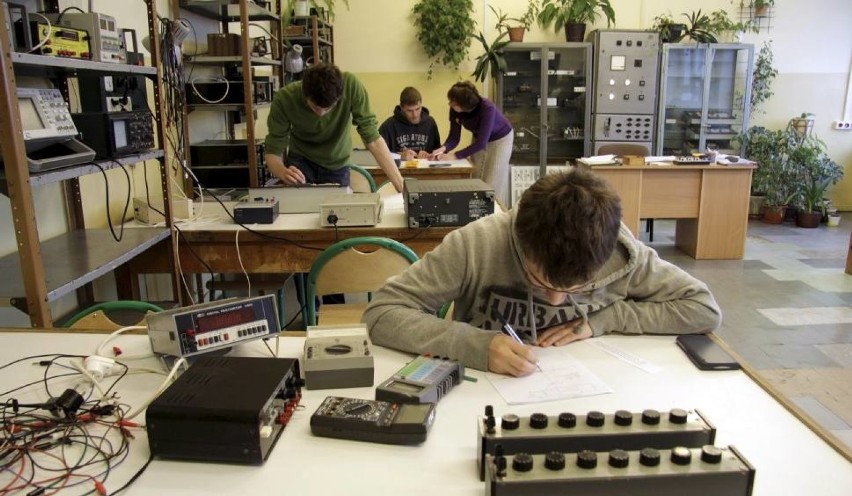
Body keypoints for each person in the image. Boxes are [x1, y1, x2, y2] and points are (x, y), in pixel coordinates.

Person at [363, 169, 722, 377]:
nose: (554, 299)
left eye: (578, 287)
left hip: (592, 391)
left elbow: (703, 308)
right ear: (521, 239)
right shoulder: (476, 244)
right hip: (483, 399)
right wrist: (475, 345)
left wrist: (607, 318)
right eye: (539, 280)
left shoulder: (622, 254)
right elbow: (381, 313)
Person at [264, 63, 404, 192]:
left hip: (337, 163)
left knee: (338, 214)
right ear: (304, 93)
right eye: (314, 107)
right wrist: (282, 171)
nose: (320, 114)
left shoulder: (351, 86)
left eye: (328, 108)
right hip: (301, 162)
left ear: (339, 97)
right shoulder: (285, 98)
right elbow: (273, 150)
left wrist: (402, 187)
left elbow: (372, 138)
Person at [430, 81, 514, 206]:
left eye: (453, 102)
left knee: (492, 182)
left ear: (464, 105)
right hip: (479, 138)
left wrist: (456, 155)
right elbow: (454, 137)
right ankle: (475, 212)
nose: (449, 104)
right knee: (475, 177)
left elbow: (481, 144)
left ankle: (492, 214)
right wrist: (443, 148)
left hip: (500, 139)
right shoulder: (454, 110)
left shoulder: (488, 109)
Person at [379, 86, 442, 161]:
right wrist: (400, 156)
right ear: (402, 108)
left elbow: (438, 153)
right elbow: (379, 154)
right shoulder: (388, 126)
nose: (415, 115)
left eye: (418, 109)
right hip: (399, 170)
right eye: (409, 111)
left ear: (421, 104)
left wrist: (429, 155)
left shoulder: (430, 123)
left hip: (426, 169)